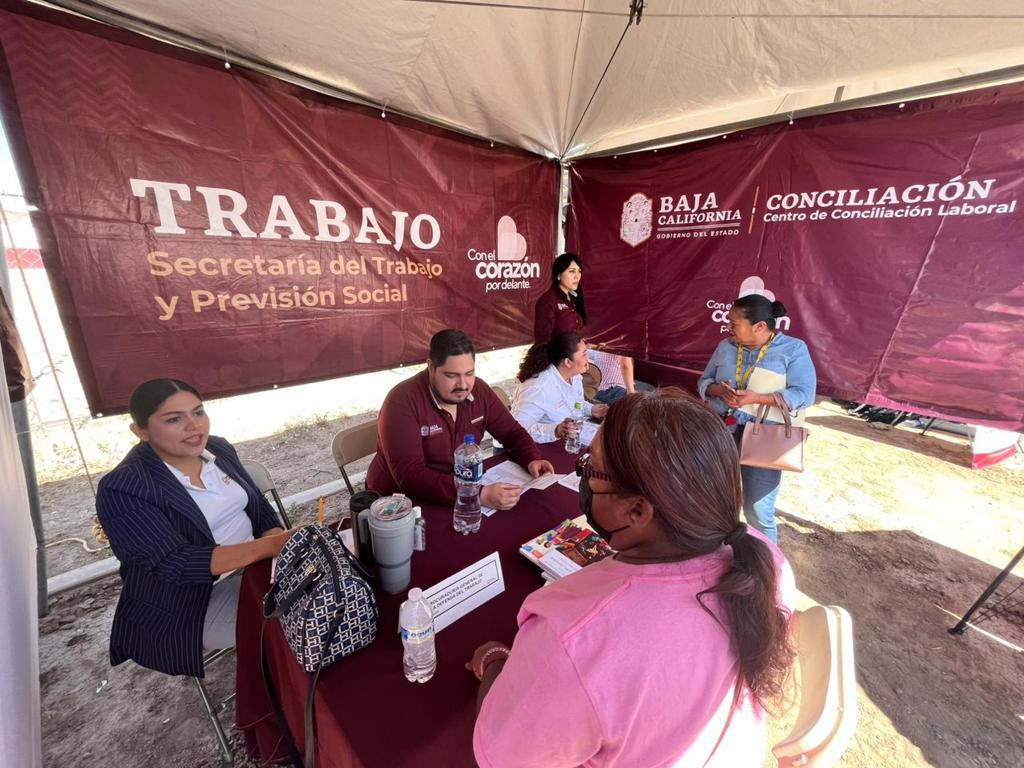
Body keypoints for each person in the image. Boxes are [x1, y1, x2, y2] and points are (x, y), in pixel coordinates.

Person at [468, 389, 796, 767]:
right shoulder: (763, 556)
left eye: (591, 469)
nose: (584, 477)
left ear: (638, 510)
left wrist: (493, 662)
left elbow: (504, 755)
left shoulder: (574, 637)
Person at [96, 379, 293, 677]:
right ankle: (289, 700)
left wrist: (279, 554)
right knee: (300, 614)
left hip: (255, 567)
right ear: (141, 432)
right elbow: (178, 563)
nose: (194, 426)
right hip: (188, 603)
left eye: (198, 412)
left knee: (334, 581)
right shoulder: (124, 487)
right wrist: (272, 548)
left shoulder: (217, 450)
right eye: (174, 419)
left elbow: (258, 508)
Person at [367, 329, 554, 510]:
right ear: (431, 367)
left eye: (469, 373)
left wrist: (532, 459)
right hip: (398, 505)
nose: (463, 385)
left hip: (458, 487)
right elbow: (411, 476)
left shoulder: (479, 390)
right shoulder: (401, 401)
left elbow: (512, 432)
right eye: (451, 375)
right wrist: (476, 494)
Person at [698, 295, 816, 544]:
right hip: (720, 432)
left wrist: (757, 399)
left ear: (760, 326)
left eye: (734, 323)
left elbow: (804, 394)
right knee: (713, 500)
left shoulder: (793, 349)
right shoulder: (726, 346)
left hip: (764, 438)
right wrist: (721, 391)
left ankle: (767, 569)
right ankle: (716, 554)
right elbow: (704, 382)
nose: (728, 328)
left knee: (757, 510)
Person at [511, 332, 608, 443]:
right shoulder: (538, 388)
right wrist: (555, 430)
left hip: (566, 441)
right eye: (584, 354)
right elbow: (518, 429)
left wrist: (592, 410)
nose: (588, 359)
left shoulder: (575, 377)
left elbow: (576, 403)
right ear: (568, 362)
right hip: (536, 448)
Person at [533, 252, 586, 342]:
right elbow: (543, 341)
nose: (577, 276)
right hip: (558, 355)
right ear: (558, 275)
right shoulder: (547, 300)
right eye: (572, 271)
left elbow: (573, 334)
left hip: (573, 353)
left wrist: (587, 346)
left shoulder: (573, 298)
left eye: (579, 271)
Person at [586, 347, 654, 405]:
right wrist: (631, 392)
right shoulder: (623, 342)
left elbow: (591, 353)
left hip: (601, 388)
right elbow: (625, 365)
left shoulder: (607, 343)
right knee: (647, 400)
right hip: (610, 389)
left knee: (649, 388)